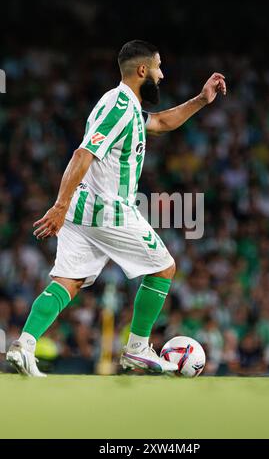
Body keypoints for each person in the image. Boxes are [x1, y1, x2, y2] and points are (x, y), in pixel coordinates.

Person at [6, 40, 226, 376]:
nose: (162, 75)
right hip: (107, 208)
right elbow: (82, 154)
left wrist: (200, 100)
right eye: (158, 67)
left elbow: (164, 123)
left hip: (86, 208)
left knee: (68, 281)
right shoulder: (118, 105)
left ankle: (24, 345)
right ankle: (137, 348)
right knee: (164, 269)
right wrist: (59, 205)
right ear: (142, 71)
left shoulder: (129, 108)